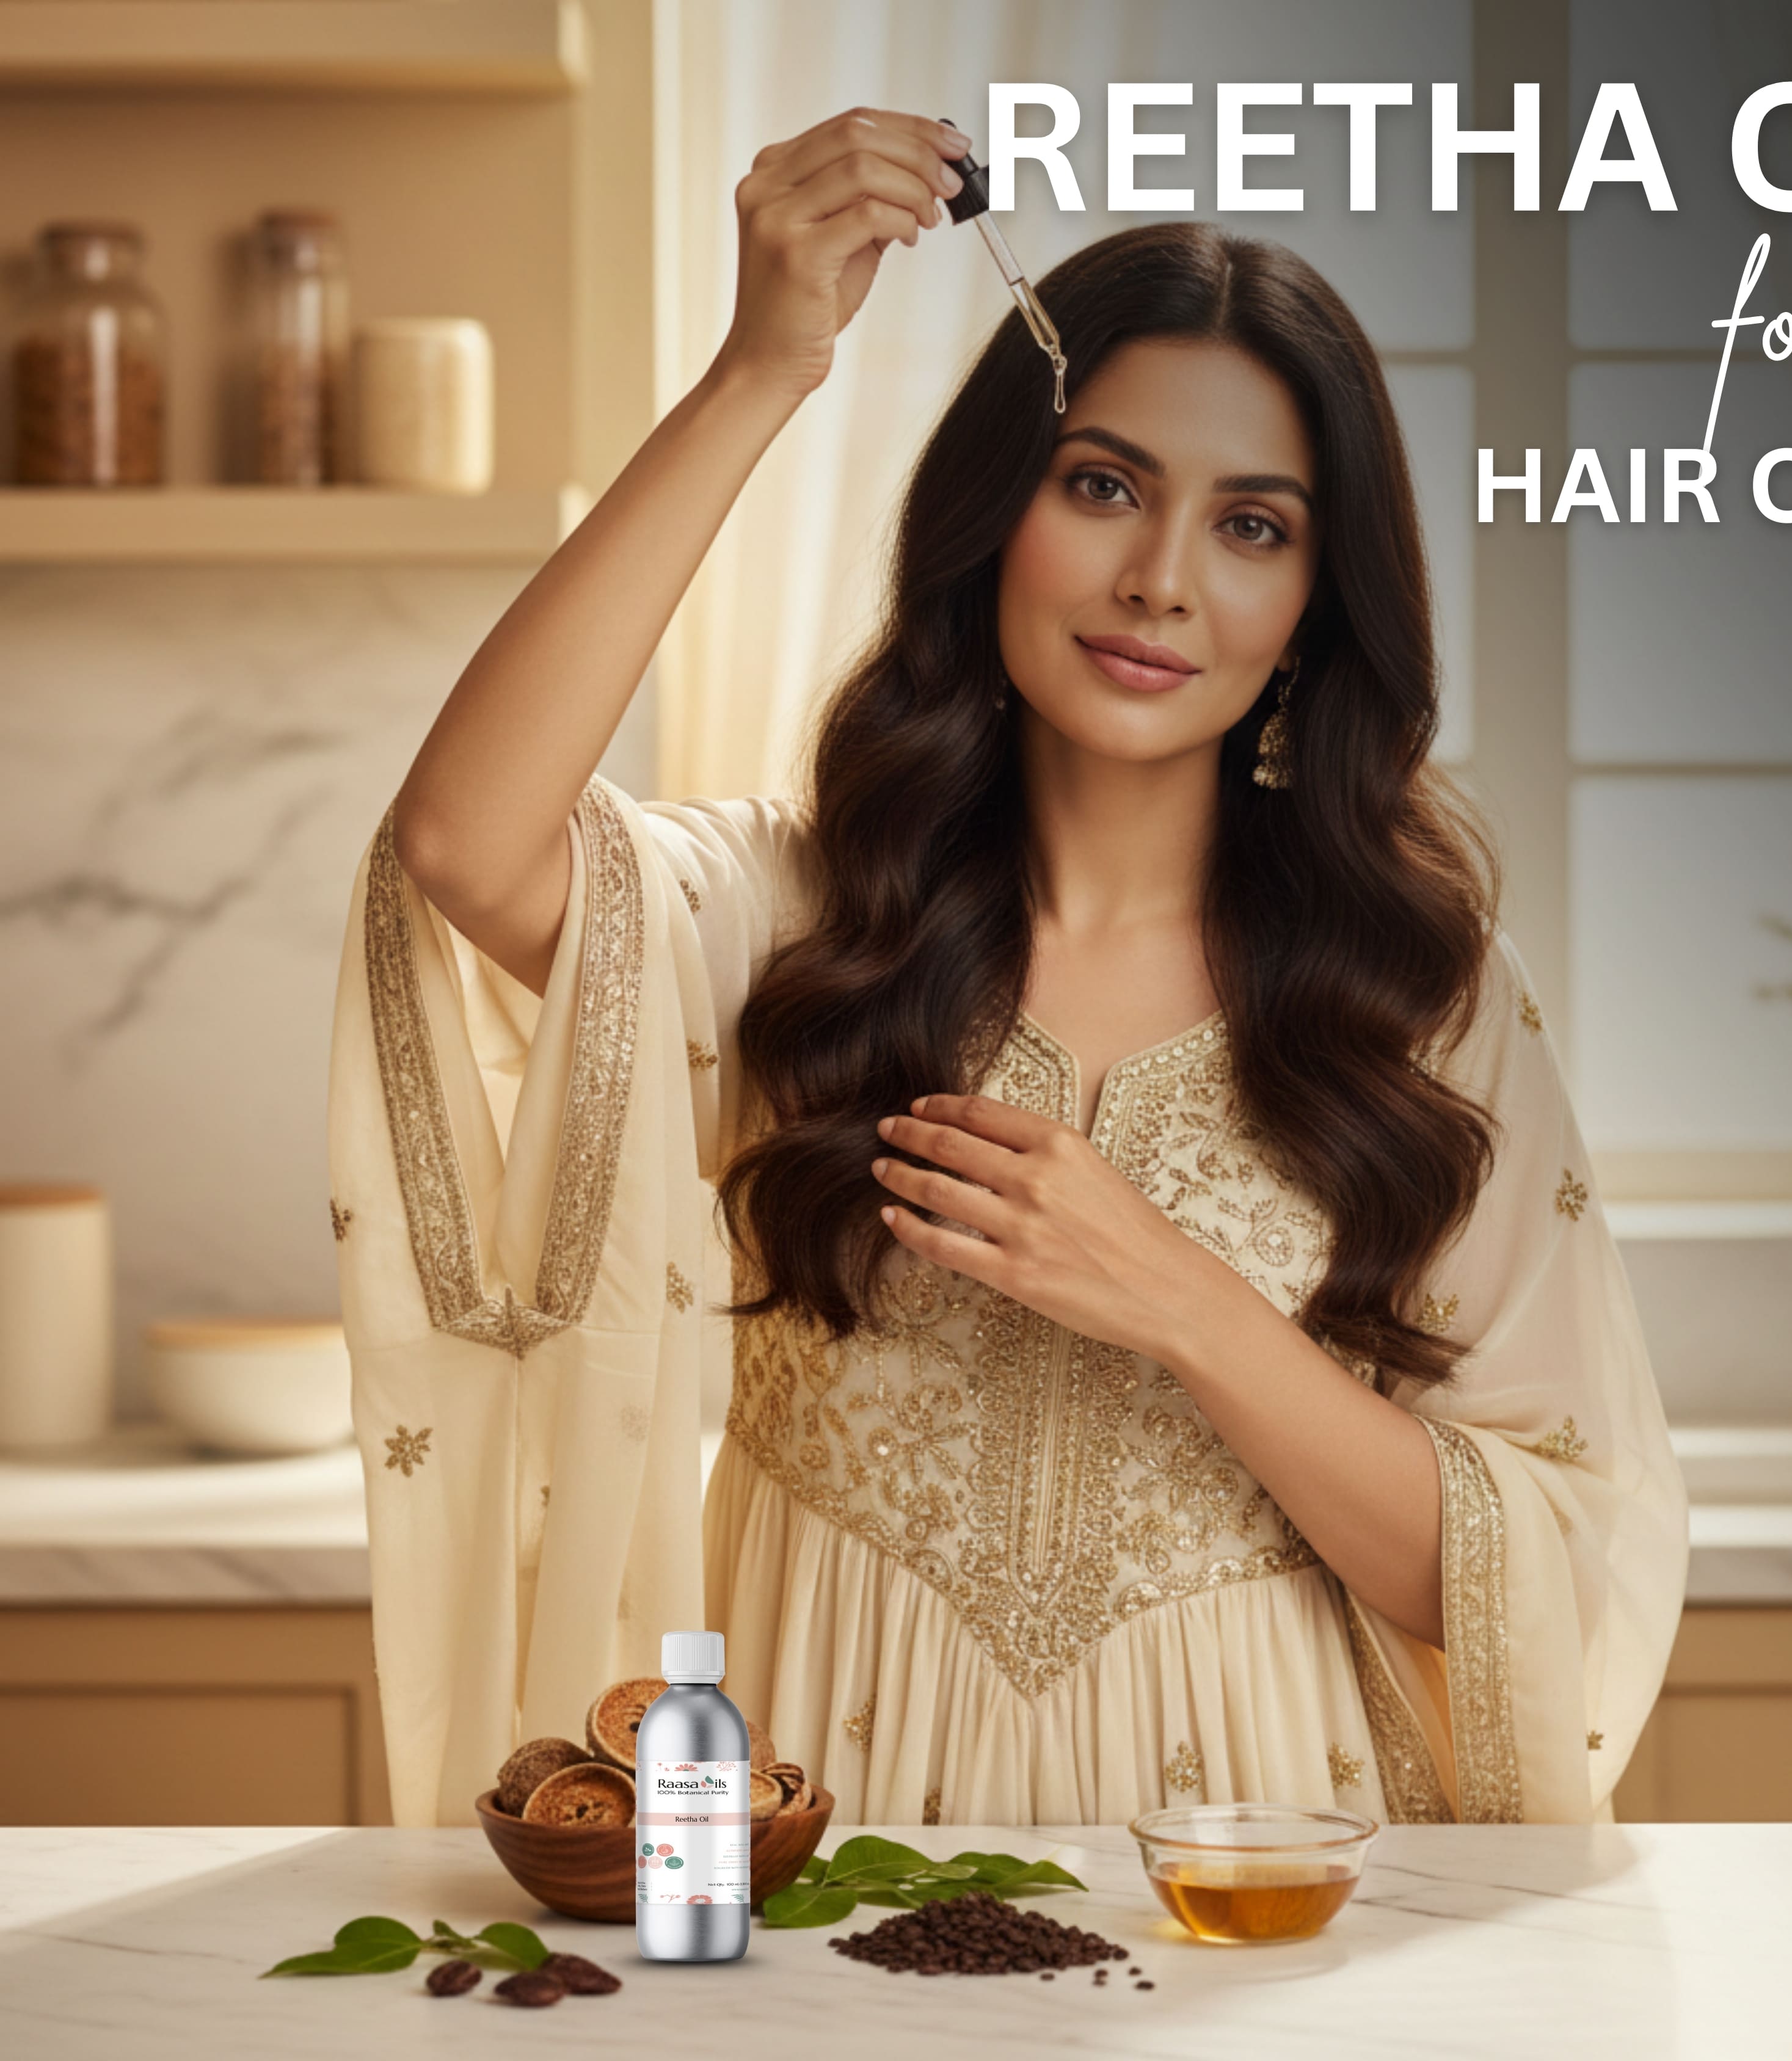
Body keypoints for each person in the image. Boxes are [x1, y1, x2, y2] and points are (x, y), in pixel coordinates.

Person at [329, 107, 1688, 1830]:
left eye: (1253, 527)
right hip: (832, 1844)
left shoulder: (1415, 996)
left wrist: (1180, 1300)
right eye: (1103, 484)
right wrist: (764, 368)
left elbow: (1541, 1568)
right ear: (999, 515)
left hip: (1255, 1872)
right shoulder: (796, 920)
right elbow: (465, 841)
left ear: (1317, 609)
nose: (1160, 581)